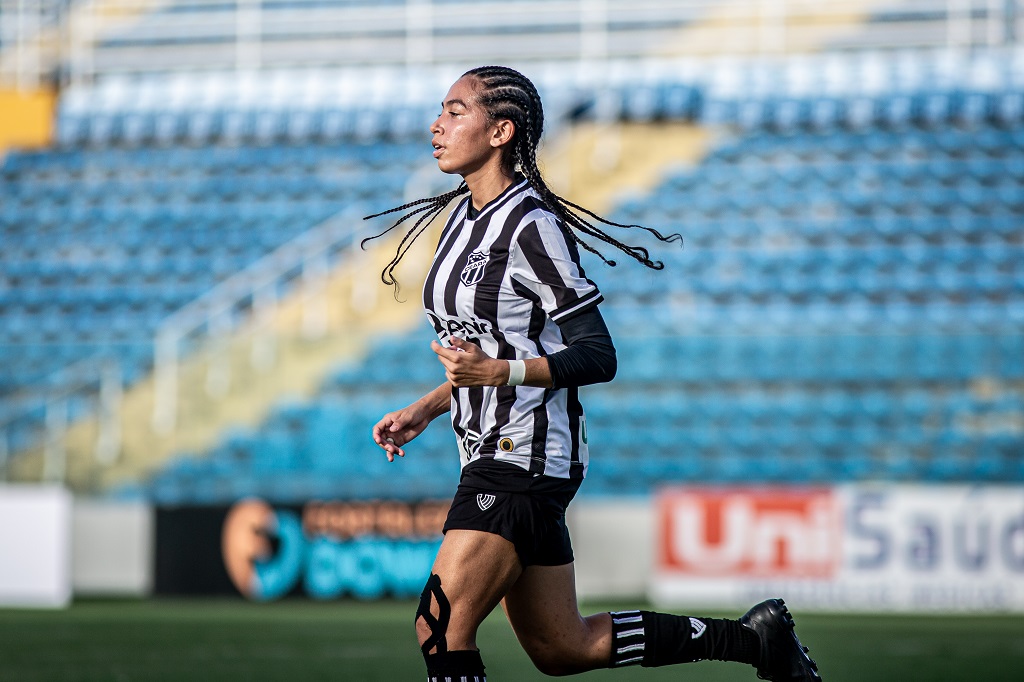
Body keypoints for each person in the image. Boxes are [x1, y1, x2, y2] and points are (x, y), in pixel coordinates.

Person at [366, 65, 821, 682]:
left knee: (442, 623)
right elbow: (497, 349)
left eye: (454, 111)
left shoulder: (530, 225)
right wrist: (428, 405)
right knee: (563, 648)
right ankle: (756, 642)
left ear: (501, 131)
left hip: (523, 453)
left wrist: (498, 373)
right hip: (488, 450)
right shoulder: (462, 223)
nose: (436, 125)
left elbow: (595, 354)